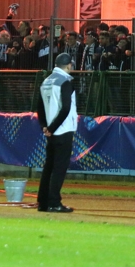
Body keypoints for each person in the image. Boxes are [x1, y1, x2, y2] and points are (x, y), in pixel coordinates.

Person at [36, 52, 78, 213]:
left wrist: (45, 127)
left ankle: (43, 202)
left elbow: (39, 107)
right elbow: (66, 108)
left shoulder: (46, 81)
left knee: (49, 167)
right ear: (68, 65)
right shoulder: (65, 81)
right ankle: (54, 202)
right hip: (63, 129)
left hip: (51, 131)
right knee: (59, 168)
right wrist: (52, 128)